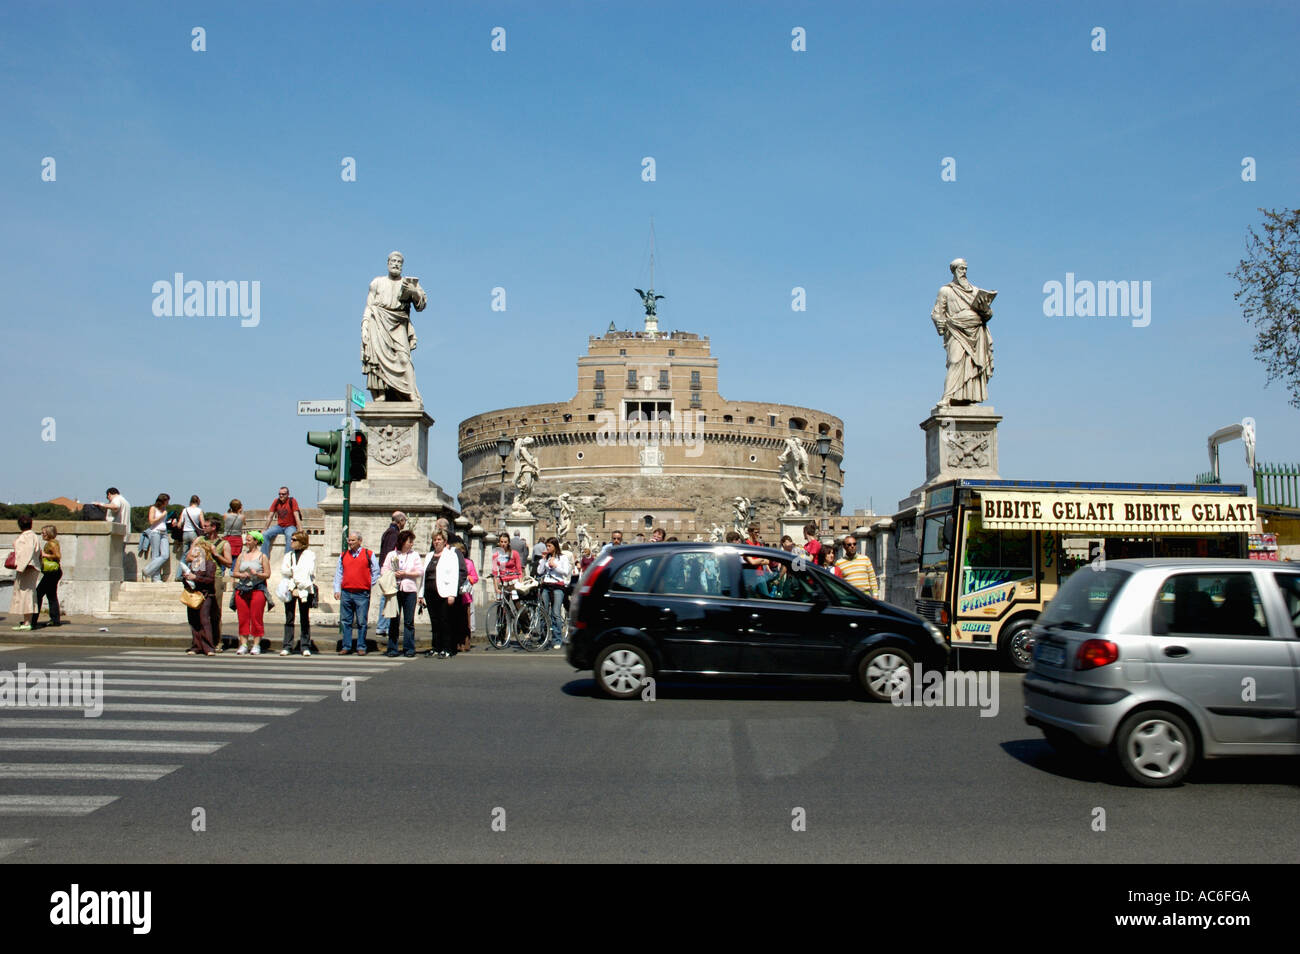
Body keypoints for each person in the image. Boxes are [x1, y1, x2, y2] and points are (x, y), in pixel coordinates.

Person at [931, 257, 995, 406]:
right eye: (961, 268)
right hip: (956, 330)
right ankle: (948, 397)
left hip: (976, 331)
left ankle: (970, 397)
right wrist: (940, 322)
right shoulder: (945, 291)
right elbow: (937, 312)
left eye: (965, 268)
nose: (964, 272)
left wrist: (986, 309)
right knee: (955, 361)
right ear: (954, 270)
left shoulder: (976, 291)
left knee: (973, 364)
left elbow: (988, 314)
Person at [418, 529, 467, 658]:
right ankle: (436, 647)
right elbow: (425, 576)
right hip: (430, 592)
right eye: (435, 540)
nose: (437, 542)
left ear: (445, 541)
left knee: (445, 621)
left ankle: (447, 648)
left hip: (445, 592)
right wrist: (421, 594)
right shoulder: (429, 555)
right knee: (435, 622)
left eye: (439, 539)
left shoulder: (451, 555)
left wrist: (452, 594)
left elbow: (454, 575)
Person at [333, 530, 379, 655]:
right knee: (346, 621)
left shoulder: (368, 554)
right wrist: (337, 589)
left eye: (353, 540)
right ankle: (346, 646)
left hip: (362, 593)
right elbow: (339, 573)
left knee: (361, 622)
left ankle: (361, 646)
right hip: (347, 592)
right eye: (349, 540)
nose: (350, 542)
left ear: (360, 541)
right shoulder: (343, 555)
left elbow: (376, 571)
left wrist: (368, 585)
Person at [381, 529, 421, 657]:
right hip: (395, 589)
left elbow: (420, 571)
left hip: (409, 590)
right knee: (394, 620)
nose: (411, 544)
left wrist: (406, 573)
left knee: (409, 621)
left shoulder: (414, 555)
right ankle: (392, 648)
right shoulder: (391, 554)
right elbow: (384, 570)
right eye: (410, 541)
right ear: (403, 542)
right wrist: (394, 573)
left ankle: (409, 648)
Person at [233, 530, 271, 654]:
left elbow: (267, 574)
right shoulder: (241, 555)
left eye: (249, 540)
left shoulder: (262, 556)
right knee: (243, 617)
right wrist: (242, 575)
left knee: (256, 617)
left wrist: (257, 574)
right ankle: (243, 644)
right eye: (246, 540)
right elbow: (235, 572)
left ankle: (256, 644)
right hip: (242, 589)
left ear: (256, 541)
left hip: (257, 589)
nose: (246, 542)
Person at [279, 530, 316, 656]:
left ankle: (305, 645)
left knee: (304, 618)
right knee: (289, 618)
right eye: (291, 539)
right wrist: (294, 576)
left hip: (304, 588)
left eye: (294, 540)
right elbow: (284, 570)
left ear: (302, 542)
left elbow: (308, 571)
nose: (291, 542)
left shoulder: (309, 555)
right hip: (290, 588)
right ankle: (287, 645)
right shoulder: (288, 555)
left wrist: (293, 573)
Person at [179, 541, 217, 655]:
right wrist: (186, 578)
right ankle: (196, 646)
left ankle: (208, 647)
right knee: (193, 620)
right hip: (193, 594)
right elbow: (186, 579)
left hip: (205, 595)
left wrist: (195, 577)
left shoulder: (210, 564)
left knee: (204, 620)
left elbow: (210, 580)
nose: (194, 552)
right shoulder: (193, 564)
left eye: (197, 550)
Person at [376, 511, 407, 644]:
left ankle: (383, 626)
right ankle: (383, 626)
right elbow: (392, 553)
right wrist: (395, 570)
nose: (405, 523)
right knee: (388, 597)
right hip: (390, 571)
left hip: (385, 569)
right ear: (400, 521)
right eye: (404, 520)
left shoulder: (388, 532)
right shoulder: (394, 534)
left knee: (387, 597)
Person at [200, 520, 232, 650]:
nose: (203, 527)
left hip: (216, 577)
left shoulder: (224, 544)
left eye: (206, 526)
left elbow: (229, 563)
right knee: (200, 611)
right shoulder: (200, 540)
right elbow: (189, 557)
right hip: (201, 577)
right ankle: (202, 641)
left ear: (214, 528)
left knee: (215, 611)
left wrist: (216, 554)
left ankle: (217, 641)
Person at [8, 515, 42, 630]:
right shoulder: (33, 536)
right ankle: (27, 620)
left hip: (27, 568)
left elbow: (27, 553)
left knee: (26, 594)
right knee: (27, 594)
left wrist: (20, 567)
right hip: (31, 567)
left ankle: (27, 622)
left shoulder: (26, 537)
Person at [537, 537, 570, 650]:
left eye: (549, 546)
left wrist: (555, 565)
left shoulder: (563, 558)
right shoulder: (546, 558)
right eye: (547, 546)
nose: (547, 548)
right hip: (546, 585)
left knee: (555, 613)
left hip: (558, 586)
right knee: (543, 612)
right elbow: (540, 572)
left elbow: (565, 572)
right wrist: (543, 560)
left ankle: (557, 639)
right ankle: (543, 637)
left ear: (555, 546)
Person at [261, 487, 302, 558]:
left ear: (288, 494)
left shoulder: (292, 501)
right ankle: (264, 558)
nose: (281, 496)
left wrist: (300, 529)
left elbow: (296, 516)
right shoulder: (276, 501)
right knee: (265, 535)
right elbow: (270, 516)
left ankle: (287, 559)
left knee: (290, 536)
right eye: (279, 494)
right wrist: (265, 528)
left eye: (283, 494)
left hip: (290, 526)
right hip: (279, 526)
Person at [35, 525, 62, 627]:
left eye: (43, 533)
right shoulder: (51, 543)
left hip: (52, 572)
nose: (42, 535)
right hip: (53, 572)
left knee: (38, 594)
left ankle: (33, 619)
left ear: (49, 534)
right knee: (51, 595)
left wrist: (45, 555)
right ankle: (55, 619)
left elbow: (58, 556)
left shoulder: (52, 544)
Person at [454, 540, 478, 652]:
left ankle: (465, 643)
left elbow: (475, 577)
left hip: (465, 596)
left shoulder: (468, 563)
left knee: (465, 621)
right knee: (455, 621)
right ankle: (456, 643)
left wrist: (469, 578)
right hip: (453, 595)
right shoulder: (451, 562)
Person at [142, 493, 171, 581]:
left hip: (164, 533)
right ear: (162, 501)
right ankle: (156, 578)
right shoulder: (153, 508)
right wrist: (162, 516)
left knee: (165, 555)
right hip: (155, 532)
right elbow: (151, 521)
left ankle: (147, 570)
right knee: (155, 554)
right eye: (167, 501)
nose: (168, 503)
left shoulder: (164, 509)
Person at [223, 499, 245, 572]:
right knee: (236, 559)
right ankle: (233, 576)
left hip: (227, 538)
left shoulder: (225, 515)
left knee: (224, 558)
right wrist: (240, 511)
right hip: (237, 539)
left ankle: (221, 575)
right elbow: (244, 524)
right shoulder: (242, 517)